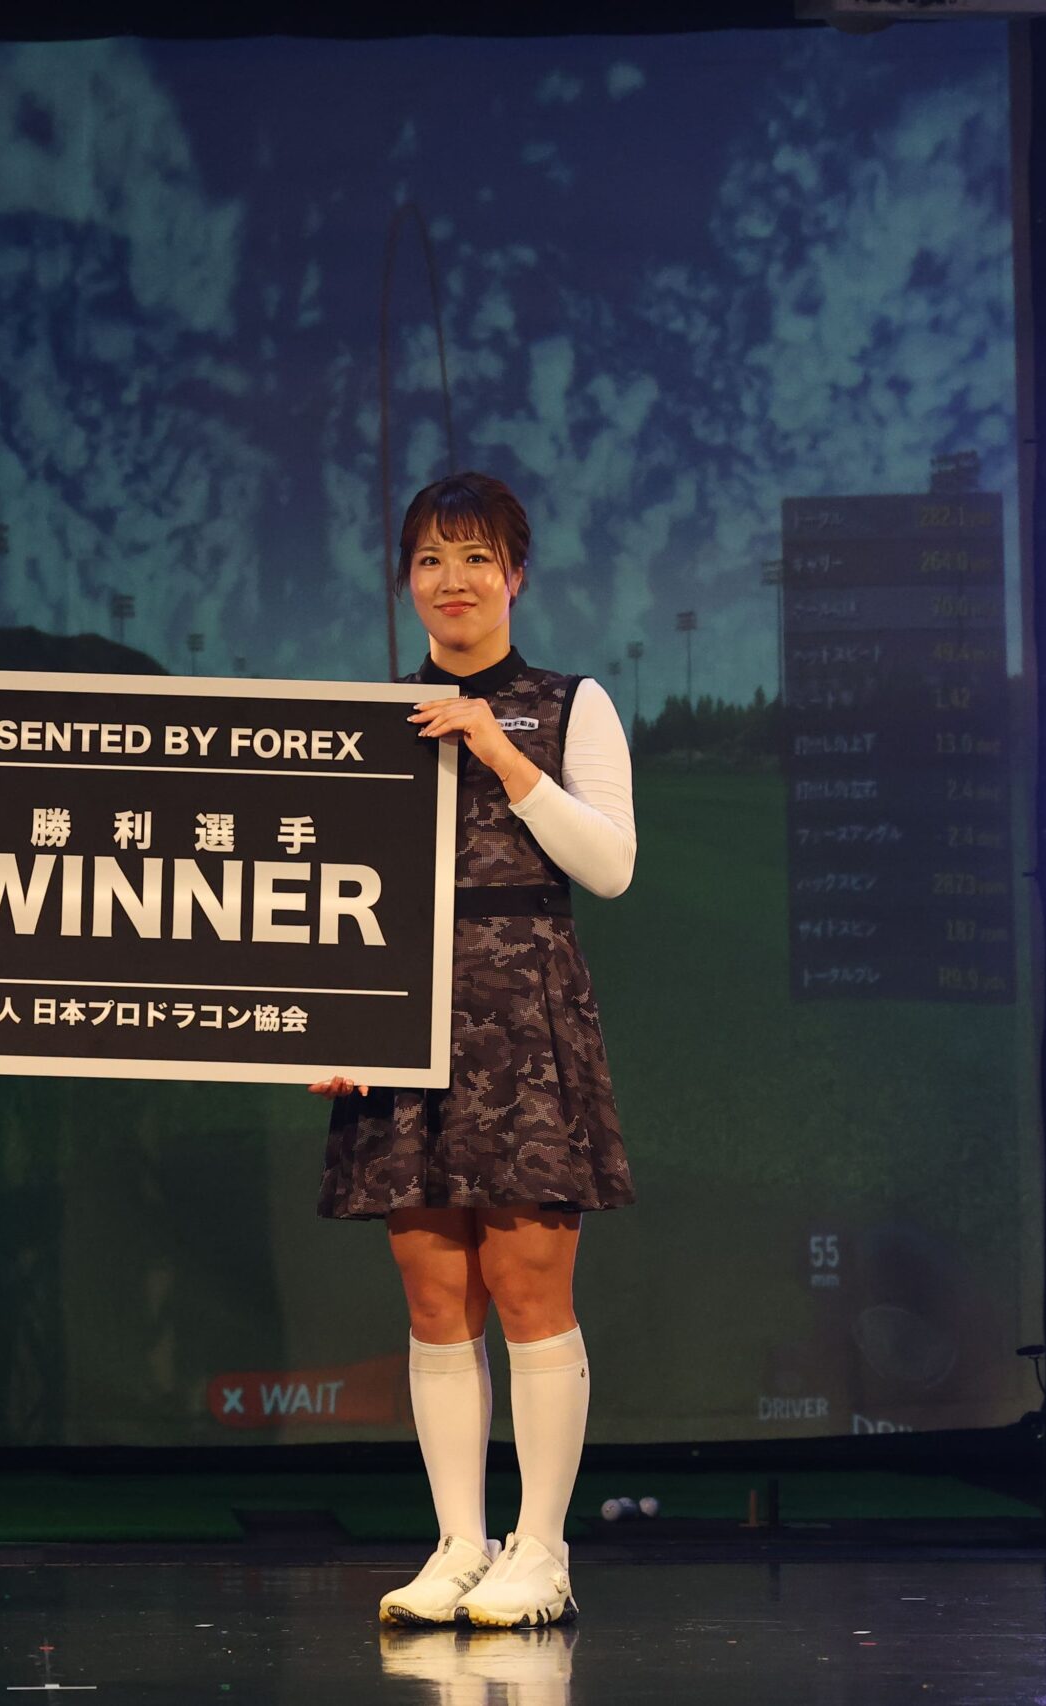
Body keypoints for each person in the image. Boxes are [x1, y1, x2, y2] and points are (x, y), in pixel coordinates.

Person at [313, 471, 637, 1631]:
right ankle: (459, 1542)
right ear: (407, 580)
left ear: (515, 575)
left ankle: (540, 1548)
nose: (452, 580)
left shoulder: (569, 702)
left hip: (522, 1011)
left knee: (527, 1279)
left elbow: (608, 865)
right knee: (432, 1287)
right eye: (430, 560)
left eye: (475, 557)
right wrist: (336, 1020)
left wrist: (501, 749)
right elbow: (334, 884)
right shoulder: (377, 718)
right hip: (405, 1020)